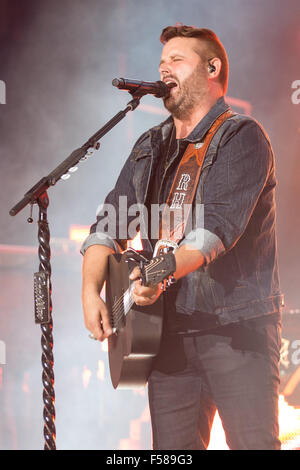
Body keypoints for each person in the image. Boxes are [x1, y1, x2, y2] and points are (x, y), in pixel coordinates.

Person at [81, 24, 283, 450]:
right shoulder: (148, 146)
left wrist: (156, 274)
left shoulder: (240, 136)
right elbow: (107, 225)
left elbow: (214, 234)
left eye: (176, 60)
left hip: (236, 333)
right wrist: (89, 290)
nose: (163, 69)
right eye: (160, 63)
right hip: (167, 337)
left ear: (212, 68)